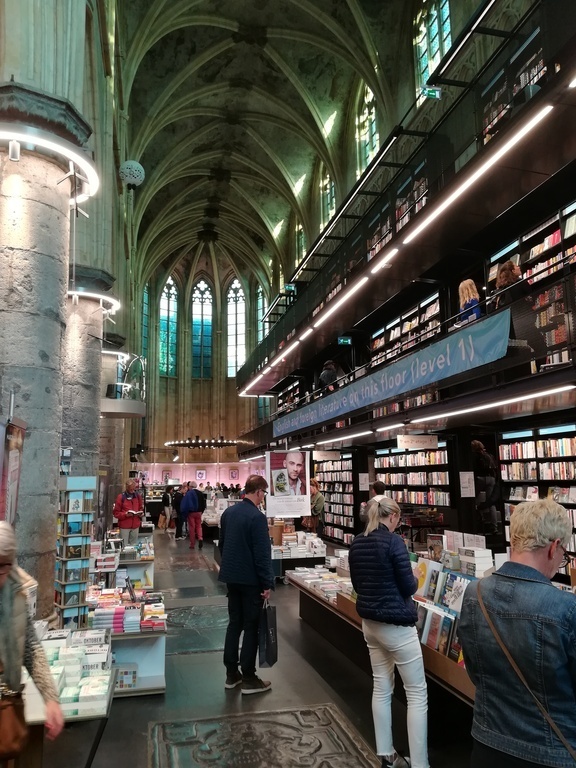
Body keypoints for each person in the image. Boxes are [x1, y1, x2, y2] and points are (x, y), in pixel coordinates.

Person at [459, 499, 575, 768]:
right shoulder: (565, 609)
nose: (560, 562)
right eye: (563, 556)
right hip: (551, 754)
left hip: (488, 743)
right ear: (554, 547)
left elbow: (475, 670)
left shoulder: (474, 593)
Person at [349, 496, 429, 768]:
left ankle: (387, 755)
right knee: (417, 694)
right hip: (397, 627)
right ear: (393, 516)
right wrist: (417, 575)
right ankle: (420, 763)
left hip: (370, 625)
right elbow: (408, 587)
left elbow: (357, 584)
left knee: (382, 686)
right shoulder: (394, 542)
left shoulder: (358, 542)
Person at [0, 522, 64, 745]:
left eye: (4, 566)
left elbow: (30, 647)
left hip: (7, 707)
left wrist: (51, 699)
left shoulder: (15, 589)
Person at [218, 474, 275, 695]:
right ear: (259, 492)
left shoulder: (229, 513)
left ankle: (231, 674)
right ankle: (249, 677)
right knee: (252, 627)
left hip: (232, 578)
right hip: (251, 580)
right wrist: (267, 583)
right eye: (264, 494)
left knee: (234, 624)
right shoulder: (257, 517)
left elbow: (223, 545)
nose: (263, 498)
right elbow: (262, 554)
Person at [495, 259, 547, 365]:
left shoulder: (501, 290)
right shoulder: (520, 283)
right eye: (516, 266)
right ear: (513, 271)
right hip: (524, 323)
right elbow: (530, 299)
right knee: (541, 348)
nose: (519, 267)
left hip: (510, 329)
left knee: (523, 353)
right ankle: (541, 373)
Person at [471, 440, 500, 534]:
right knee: (490, 502)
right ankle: (494, 526)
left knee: (471, 499)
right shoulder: (488, 455)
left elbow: (474, 468)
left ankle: (478, 519)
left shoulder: (474, 456)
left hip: (480, 478)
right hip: (491, 479)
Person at [113, 479, 144, 546]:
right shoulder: (121, 497)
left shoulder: (137, 496)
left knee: (134, 545)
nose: (133, 491)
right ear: (127, 488)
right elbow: (116, 513)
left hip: (135, 525)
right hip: (124, 526)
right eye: (131, 489)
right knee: (124, 545)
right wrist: (126, 515)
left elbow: (141, 507)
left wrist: (141, 513)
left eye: (134, 489)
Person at [181, 481, 203, 550]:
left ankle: (192, 544)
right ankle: (200, 538)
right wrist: (202, 511)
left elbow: (185, 504)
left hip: (191, 513)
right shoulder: (200, 493)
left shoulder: (189, 493)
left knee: (192, 528)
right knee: (199, 526)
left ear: (190, 486)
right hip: (199, 512)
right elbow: (203, 503)